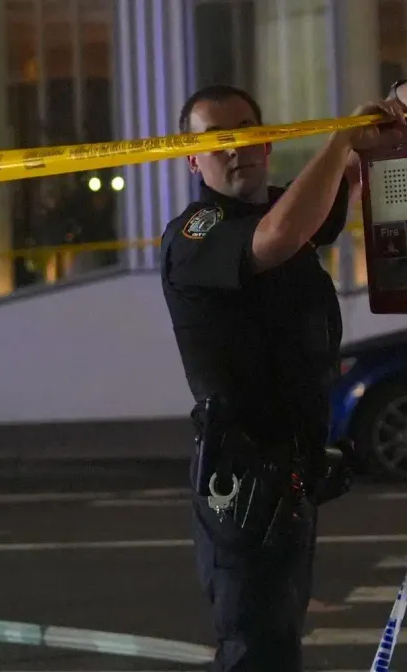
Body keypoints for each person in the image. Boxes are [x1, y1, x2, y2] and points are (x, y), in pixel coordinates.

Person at [159, 84, 407, 672]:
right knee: (257, 653)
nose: (237, 148)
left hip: (291, 474)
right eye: (218, 139)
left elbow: (328, 195)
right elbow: (279, 237)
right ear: (192, 159)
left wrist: (384, 126)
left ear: (268, 142)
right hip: (246, 483)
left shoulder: (275, 207)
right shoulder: (197, 233)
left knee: (278, 644)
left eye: (248, 132)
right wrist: (340, 138)